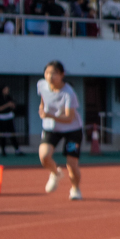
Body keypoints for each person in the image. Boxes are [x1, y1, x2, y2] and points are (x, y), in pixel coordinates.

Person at [37, 60, 83, 199]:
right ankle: (55, 173)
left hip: (72, 130)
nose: (50, 76)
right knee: (44, 156)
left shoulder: (68, 93)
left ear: (62, 75)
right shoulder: (41, 85)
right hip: (52, 128)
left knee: (71, 164)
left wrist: (49, 115)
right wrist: (42, 108)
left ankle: (75, 189)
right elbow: (43, 99)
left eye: (54, 73)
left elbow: (69, 117)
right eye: (47, 73)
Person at [0, 85, 20, 154]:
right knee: (2, 135)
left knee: (12, 134)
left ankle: (17, 150)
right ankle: (3, 150)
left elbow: (14, 106)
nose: (7, 91)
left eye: (8, 89)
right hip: (1, 118)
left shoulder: (9, 97)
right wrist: (7, 105)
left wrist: (12, 105)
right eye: (6, 89)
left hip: (9, 117)